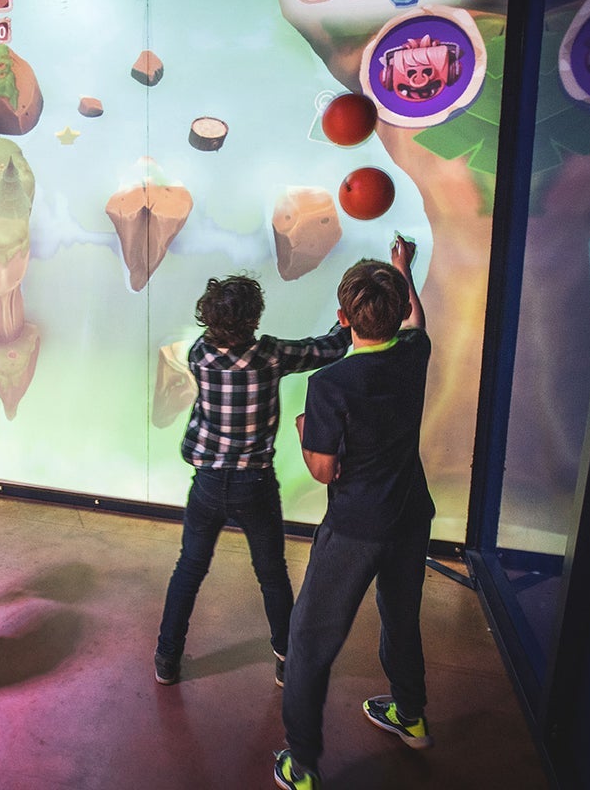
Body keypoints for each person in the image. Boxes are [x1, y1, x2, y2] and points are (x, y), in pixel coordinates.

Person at [274, 235, 432, 790]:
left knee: (310, 640)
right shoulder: (415, 353)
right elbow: (413, 318)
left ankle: (304, 763)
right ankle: (411, 717)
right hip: (411, 516)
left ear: (343, 318)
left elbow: (323, 470)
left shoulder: (330, 382)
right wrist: (400, 267)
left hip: (356, 529)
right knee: (401, 617)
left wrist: (301, 432)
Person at [154, 274, 351, 687]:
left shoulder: (199, 354)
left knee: (189, 568)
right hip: (254, 485)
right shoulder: (271, 355)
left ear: (209, 318)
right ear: (254, 317)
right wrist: (344, 324)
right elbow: (328, 349)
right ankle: (285, 658)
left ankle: (167, 658)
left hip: (207, 483)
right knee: (272, 573)